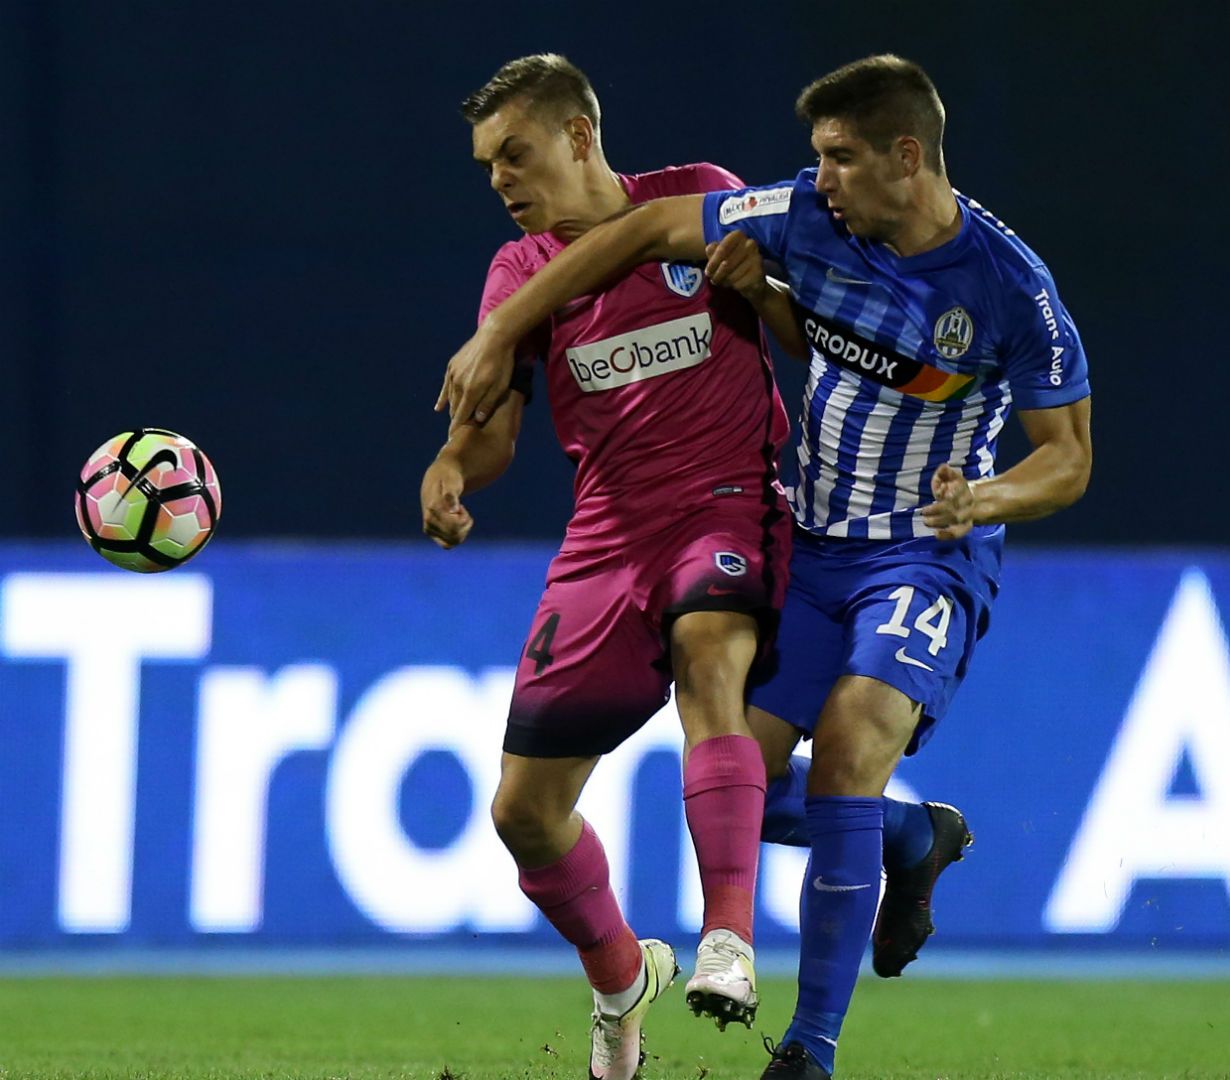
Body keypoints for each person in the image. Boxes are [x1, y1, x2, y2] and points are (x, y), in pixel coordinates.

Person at [438, 54, 1094, 1080]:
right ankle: (908, 835)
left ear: (904, 156)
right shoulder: (805, 219)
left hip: (913, 547)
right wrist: (500, 351)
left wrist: (986, 497)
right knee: (732, 778)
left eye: (837, 157)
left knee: (834, 736)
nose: (817, 176)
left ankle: (799, 1039)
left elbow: (1070, 458)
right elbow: (741, 293)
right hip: (798, 538)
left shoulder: (1011, 286)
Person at [418, 53, 792, 1080]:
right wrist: (456, 466)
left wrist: (763, 287)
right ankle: (623, 976)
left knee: (710, 656)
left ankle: (728, 939)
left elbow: (806, 334)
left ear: (580, 136)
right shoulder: (515, 273)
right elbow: (493, 429)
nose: (500, 177)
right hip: (605, 541)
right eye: (488, 162)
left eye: (516, 153)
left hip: (725, 499)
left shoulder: (701, 199)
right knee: (522, 814)